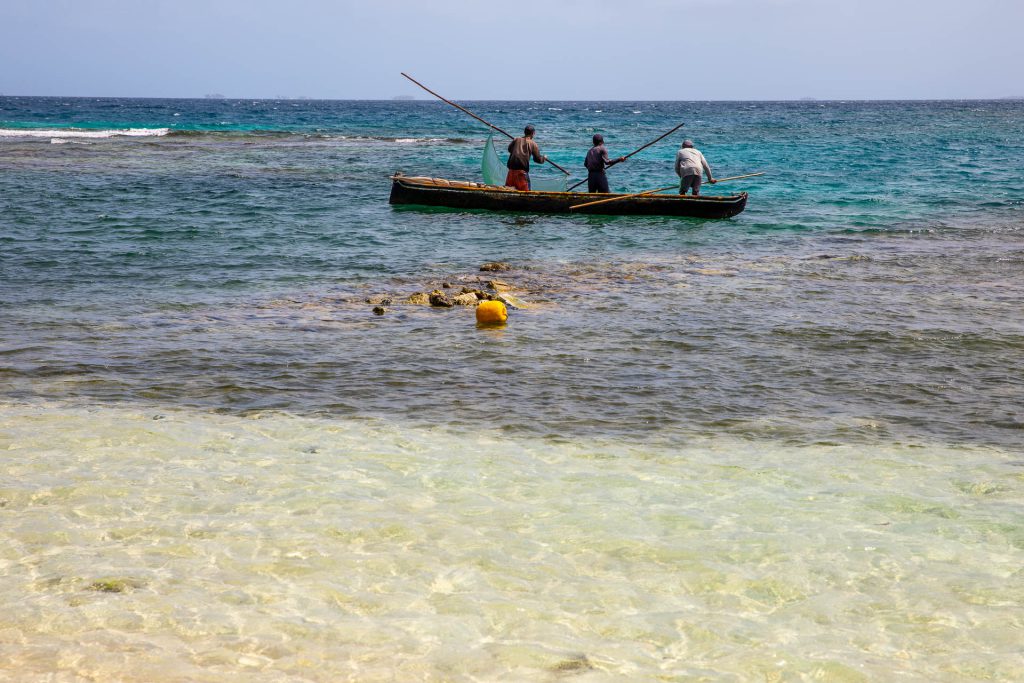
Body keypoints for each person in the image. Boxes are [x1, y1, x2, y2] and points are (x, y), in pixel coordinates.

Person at [505, 125, 547, 191]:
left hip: (511, 172)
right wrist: (544, 158)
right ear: (533, 133)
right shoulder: (533, 143)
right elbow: (537, 160)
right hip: (521, 173)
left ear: (524, 132)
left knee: (508, 191)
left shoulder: (516, 139)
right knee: (527, 193)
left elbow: (509, 149)